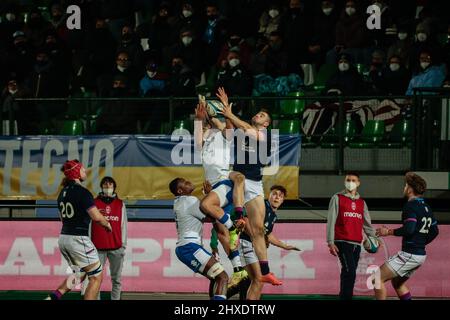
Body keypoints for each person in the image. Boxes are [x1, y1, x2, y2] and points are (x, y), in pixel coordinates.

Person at [217, 87, 282, 291]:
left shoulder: (266, 135)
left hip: (255, 184)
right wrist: (217, 113)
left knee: (259, 230)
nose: (258, 115)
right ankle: (237, 217)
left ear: (266, 123)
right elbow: (223, 127)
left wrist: (230, 114)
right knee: (238, 179)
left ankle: (266, 271)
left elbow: (247, 129)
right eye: (258, 113)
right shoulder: (241, 129)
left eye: (262, 115)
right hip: (236, 177)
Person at [194, 96, 247, 287]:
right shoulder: (204, 142)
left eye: (208, 125)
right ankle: (239, 269)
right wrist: (199, 120)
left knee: (205, 205)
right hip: (214, 186)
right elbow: (199, 140)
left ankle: (234, 225)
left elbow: (230, 129)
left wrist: (226, 112)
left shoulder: (223, 135)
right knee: (220, 231)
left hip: (224, 183)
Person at [47, 160, 112, 300]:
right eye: (82, 169)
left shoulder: (62, 193)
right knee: (96, 277)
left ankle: (53, 297)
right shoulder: (83, 192)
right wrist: (107, 224)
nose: (85, 171)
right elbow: (97, 218)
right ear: (76, 173)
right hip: (78, 239)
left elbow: (64, 219)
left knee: (80, 274)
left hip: (64, 238)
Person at [225, 185, 301, 300]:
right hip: (246, 244)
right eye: (274, 194)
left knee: (258, 280)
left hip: (253, 247)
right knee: (257, 279)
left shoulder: (273, 215)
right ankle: (221, 292)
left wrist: (285, 246)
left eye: (280, 196)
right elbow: (245, 220)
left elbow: (268, 234)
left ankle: (222, 292)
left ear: (282, 200)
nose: (277, 197)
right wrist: (256, 237)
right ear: (268, 195)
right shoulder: (262, 207)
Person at [375, 172, 439, 300]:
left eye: (405, 186)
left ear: (410, 189)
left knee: (376, 279)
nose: (404, 188)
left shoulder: (410, 206)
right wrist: (420, 243)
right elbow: (435, 231)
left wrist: (388, 232)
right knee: (397, 283)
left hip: (410, 254)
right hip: (419, 255)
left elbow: (409, 229)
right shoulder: (426, 207)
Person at [169, 177, 229, 300]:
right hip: (189, 247)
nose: (189, 182)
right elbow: (212, 215)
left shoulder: (179, 202)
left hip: (184, 248)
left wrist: (207, 198)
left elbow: (206, 209)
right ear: (180, 191)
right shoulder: (190, 200)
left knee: (215, 277)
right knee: (223, 277)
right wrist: (210, 195)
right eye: (185, 182)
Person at [326, 171, 376, 300]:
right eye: (348, 180)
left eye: (354, 180)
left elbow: (367, 224)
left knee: (347, 272)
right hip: (342, 241)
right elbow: (331, 220)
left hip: (357, 243)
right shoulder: (337, 198)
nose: (350, 183)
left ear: (358, 183)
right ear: (344, 182)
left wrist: (375, 239)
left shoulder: (362, 203)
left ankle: (343, 297)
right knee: (350, 272)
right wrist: (330, 241)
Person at [91, 176, 127, 300]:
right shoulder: (94, 203)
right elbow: (90, 225)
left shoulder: (120, 204)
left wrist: (123, 245)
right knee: (96, 279)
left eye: (110, 185)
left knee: (116, 280)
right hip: (97, 248)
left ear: (114, 187)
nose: (107, 187)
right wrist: (90, 245)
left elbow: (123, 225)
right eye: (105, 185)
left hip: (116, 248)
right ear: (101, 187)